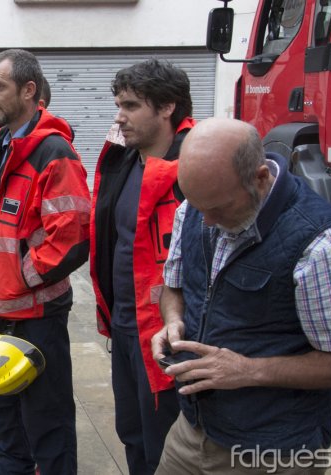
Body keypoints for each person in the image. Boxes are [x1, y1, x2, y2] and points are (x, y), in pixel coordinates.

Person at [149, 117, 331, 474]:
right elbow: (174, 286)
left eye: (219, 209)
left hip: (273, 451)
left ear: (259, 178)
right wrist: (173, 320)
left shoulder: (322, 243)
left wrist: (248, 370)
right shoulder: (195, 208)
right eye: (197, 205)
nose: (205, 221)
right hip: (192, 431)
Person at [0, 49, 90, 475]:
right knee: (4, 408)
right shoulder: (1, 146)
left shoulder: (54, 151)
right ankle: (14, 466)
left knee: (47, 415)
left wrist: (20, 278)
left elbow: (71, 237)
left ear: (28, 90)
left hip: (33, 311)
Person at [89, 59, 193, 475]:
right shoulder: (122, 162)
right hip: (125, 328)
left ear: (167, 107)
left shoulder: (198, 168)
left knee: (167, 447)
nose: (119, 116)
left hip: (170, 336)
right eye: (119, 104)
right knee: (132, 434)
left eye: (131, 105)